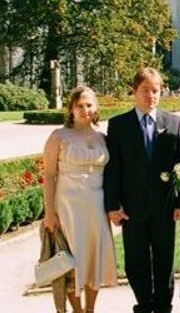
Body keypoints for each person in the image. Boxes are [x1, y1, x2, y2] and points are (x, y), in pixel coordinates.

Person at [104, 68, 180, 313]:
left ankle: (163, 307)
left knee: (164, 262)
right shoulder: (119, 125)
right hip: (132, 209)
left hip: (165, 209)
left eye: (156, 90)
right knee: (135, 262)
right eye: (145, 90)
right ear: (134, 92)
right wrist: (112, 205)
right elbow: (114, 169)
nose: (151, 95)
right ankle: (143, 305)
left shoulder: (174, 123)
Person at [43, 86, 117, 313]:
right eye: (79, 105)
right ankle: (76, 310)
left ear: (96, 108)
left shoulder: (104, 137)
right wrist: (49, 213)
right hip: (67, 208)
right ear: (71, 109)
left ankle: (90, 309)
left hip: (97, 207)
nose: (84, 109)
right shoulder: (59, 136)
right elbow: (48, 175)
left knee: (94, 259)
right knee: (72, 262)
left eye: (89, 105)